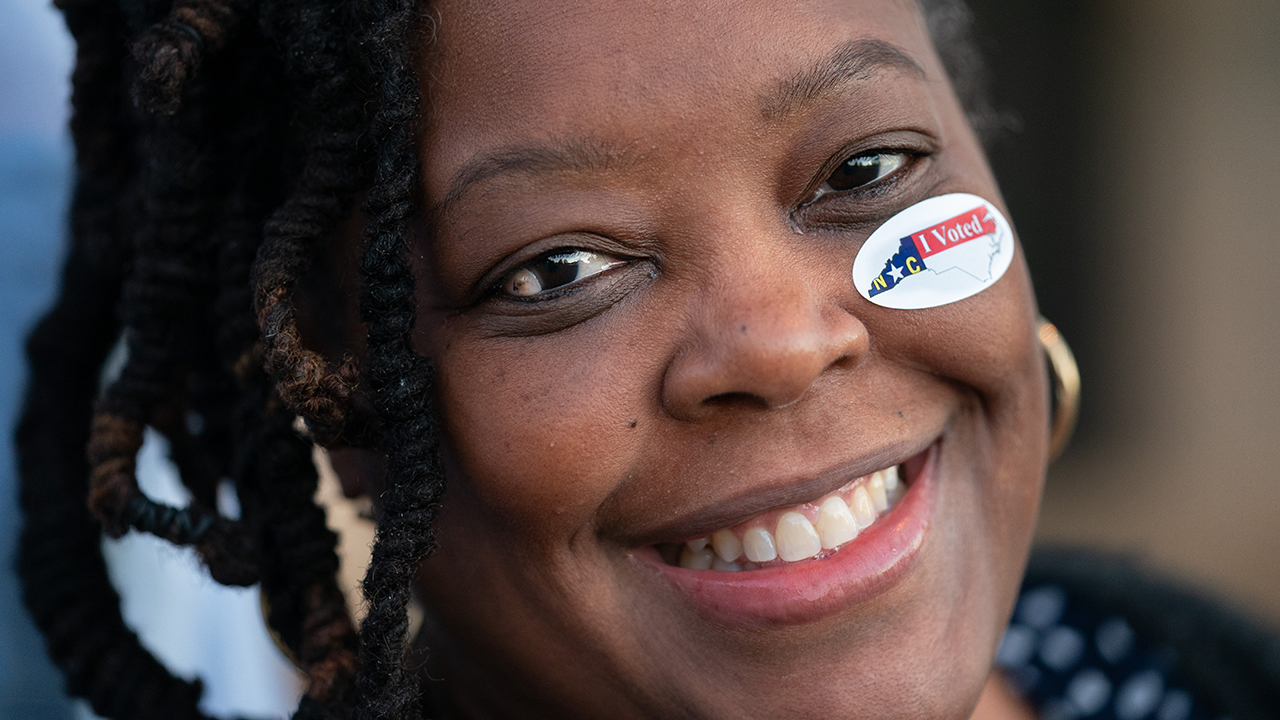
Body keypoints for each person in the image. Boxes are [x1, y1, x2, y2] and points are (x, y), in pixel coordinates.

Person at [14, 0, 1277, 719]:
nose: (782, 345)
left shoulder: (1193, 680)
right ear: (329, 393)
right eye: (555, 272)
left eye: (865, 169)